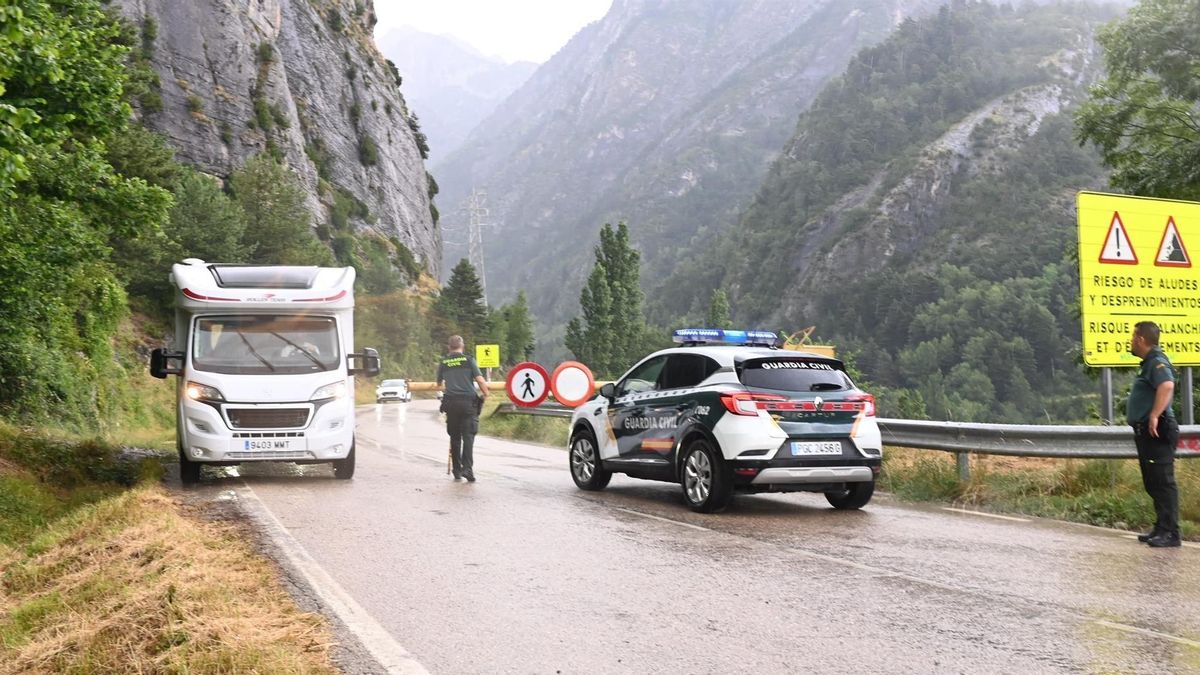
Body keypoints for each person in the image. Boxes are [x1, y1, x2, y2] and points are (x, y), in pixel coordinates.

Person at [1127, 321, 1181, 548]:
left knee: (1163, 481)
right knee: (1153, 481)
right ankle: (1161, 527)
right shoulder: (1148, 363)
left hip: (1157, 431)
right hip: (1147, 432)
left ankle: (1171, 532)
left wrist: (1154, 415)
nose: (1130, 341)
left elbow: (1167, 385)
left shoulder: (1156, 362)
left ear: (1140, 339)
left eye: (1132, 337)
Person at [436, 335, 489, 482]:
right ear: (462, 346)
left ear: (449, 347)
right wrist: (486, 393)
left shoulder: (444, 362)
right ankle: (468, 469)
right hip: (468, 403)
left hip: (451, 403)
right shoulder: (469, 360)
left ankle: (457, 470)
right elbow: (479, 379)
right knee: (468, 437)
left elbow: (439, 382)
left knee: (455, 437)